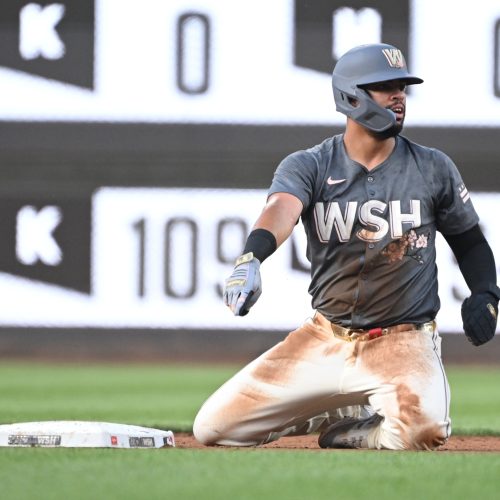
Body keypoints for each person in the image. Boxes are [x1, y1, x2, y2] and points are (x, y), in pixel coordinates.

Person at [193, 43, 500, 450]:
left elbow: (470, 241)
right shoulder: (311, 164)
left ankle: (360, 432)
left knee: (423, 430)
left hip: (402, 340)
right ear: (350, 95)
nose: (398, 96)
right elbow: (281, 210)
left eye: (402, 87)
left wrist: (487, 292)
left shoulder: (432, 167)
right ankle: (336, 409)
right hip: (325, 336)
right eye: (384, 87)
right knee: (213, 429)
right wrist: (253, 256)